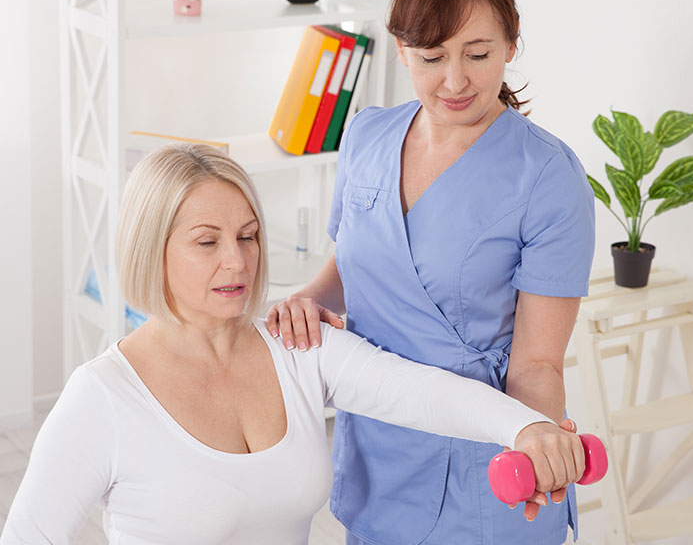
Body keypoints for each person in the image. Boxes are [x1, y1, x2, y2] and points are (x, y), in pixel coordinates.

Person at [0, 144, 586, 545]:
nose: (238, 261)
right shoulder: (102, 396)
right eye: (207, 242)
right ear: (152, 248)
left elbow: (420, 391)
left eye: (248, 236)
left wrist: (526, 427)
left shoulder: (296, 344)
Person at [266, 0, 596, 543]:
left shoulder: (548, 178)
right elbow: (356, 263)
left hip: (482, 467)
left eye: (478, 53)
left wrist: (531, 441)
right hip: (375, 451)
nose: (455, 81)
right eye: (432, 57)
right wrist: (306, 302)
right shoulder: (367, 135)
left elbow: (538, 364)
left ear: (511, 43)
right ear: (401, 49)